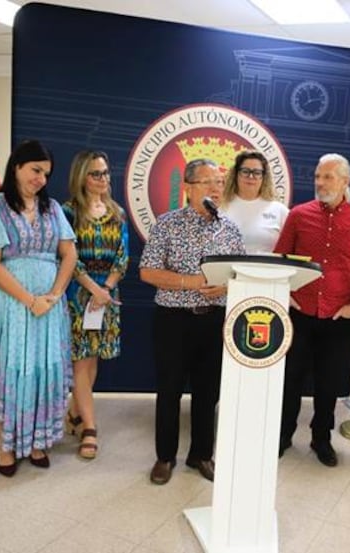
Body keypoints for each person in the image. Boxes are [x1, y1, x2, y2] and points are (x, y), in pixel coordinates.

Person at [0, 140, 77, 476]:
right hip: (10, 306)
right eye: (35, 170)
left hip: (49, 307)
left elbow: (69, 254)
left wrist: (54, 295)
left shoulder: (53, 208)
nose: (41, 178)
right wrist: (30, 300)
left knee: (43, 370)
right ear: (16, 166)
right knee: (11, 371)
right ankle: (6, 445)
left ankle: (38, 441)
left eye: (46, 173)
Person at [139, 158, 246, 485]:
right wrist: (193, 282)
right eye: (207, 182)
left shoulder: (230, 228)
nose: (215, 188)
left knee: (208, 391)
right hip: (173, 319)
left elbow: (238, 274)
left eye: (218, 182)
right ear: (188, 187)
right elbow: (147, 271)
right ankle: (164, 457)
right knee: (169, 390)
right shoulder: (167, 224)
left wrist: (226, 285)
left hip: (214, 320)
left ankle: (201, 454)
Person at [273, 153, 350, 467]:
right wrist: (286, 294)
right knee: (290, 379)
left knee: (328, 383)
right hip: (300, 313)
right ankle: (283, 434)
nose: (320, 183)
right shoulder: (298, 215)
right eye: (318, 176)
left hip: (339, 316)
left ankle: (322, 438)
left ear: (345, 181)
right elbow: (280, 258)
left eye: (328, 177)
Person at [62, 150, 129, 460]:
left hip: (107, 295)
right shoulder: (68, 212)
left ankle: (75, 413)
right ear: (81, 177)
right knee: (80, 360)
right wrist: (92, 289)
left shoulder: (118, 212)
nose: (103, 179)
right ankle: (89, 427)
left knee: (94, 359)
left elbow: (123, 256)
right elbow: (67, 257)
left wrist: (106, 288)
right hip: (79, 294)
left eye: (105, 173)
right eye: (96, 174)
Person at [220, 149, 289, 253]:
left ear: (264, 177)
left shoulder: (279, 211)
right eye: (245, 171)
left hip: (267, 268)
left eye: (257, 172)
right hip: (226, 269)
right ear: (236, 174)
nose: (251, 177)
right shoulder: (220, 207)